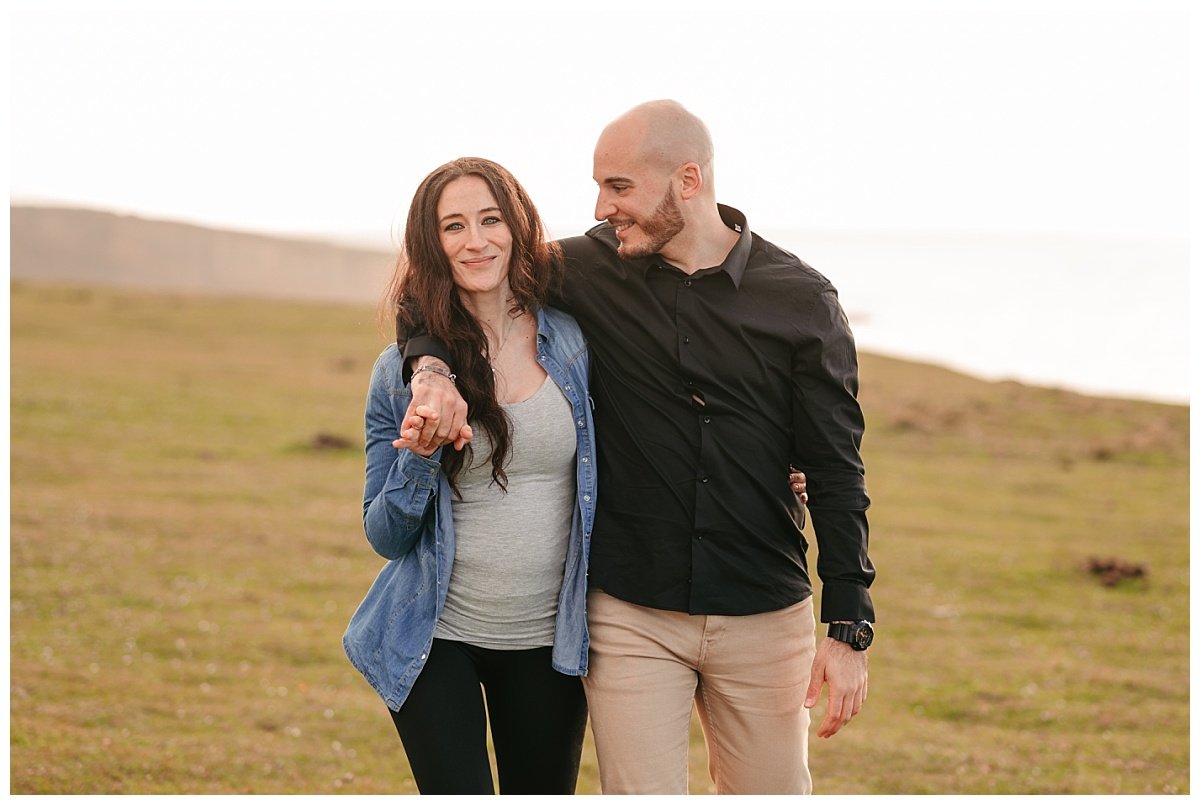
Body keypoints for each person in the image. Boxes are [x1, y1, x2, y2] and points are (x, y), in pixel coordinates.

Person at [404, 100, 862, 796]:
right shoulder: (581, 270)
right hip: (630, 610)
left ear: (687, 180)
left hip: (764, 610)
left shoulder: (800, 299)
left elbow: (835, 465)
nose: (601, 205)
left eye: (619, 187)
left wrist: (849, 624)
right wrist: (432, 371)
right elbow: (445, 285)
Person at [341, 157, 598, 794]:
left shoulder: (573, 342)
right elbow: (386, 535)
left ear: (517, 226)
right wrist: (421, 453)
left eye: (490, 219)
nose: (476, 240)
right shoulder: (399, 374)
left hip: (548, 639)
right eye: (454, 227)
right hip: (435, 635)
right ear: (433, 244)